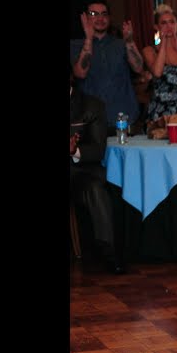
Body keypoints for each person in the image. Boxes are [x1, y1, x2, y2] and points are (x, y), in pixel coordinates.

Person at [70, 63, 124, 274]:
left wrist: (74, 150)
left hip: (78, 172)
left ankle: (109, 252)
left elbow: (98, 150)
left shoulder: (91, 106)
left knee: (95, 188)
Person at [70, 0, 145, 127]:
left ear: (109, 18)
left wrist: (129, 41)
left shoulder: (120, 44)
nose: (100, 18)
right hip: (92, 121)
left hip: (125, 117)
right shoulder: (76, 45)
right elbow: (80, 73)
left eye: (104, 14)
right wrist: (88, 39)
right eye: (94, 14)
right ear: (85, 18)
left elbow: (138, 68)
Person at [141, 4, 177, 122]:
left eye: (172, 22)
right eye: (164, 23)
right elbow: (157, 72)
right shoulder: (149, 51)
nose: (169, 26)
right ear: (156, 27)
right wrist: (163, 43)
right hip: (161, 109)